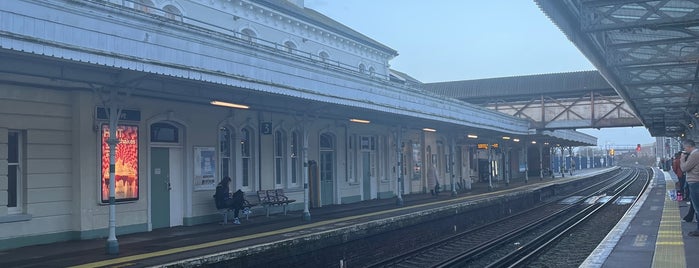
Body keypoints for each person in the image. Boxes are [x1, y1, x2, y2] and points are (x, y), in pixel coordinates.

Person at [680, 139, 699, 234]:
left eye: (685, 148)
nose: (684, 150)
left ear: (689, 147)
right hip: (695, 182)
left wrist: (682, 159)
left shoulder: (695, 155)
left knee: (697, 207)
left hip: (695, 183)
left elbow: (684, 168)